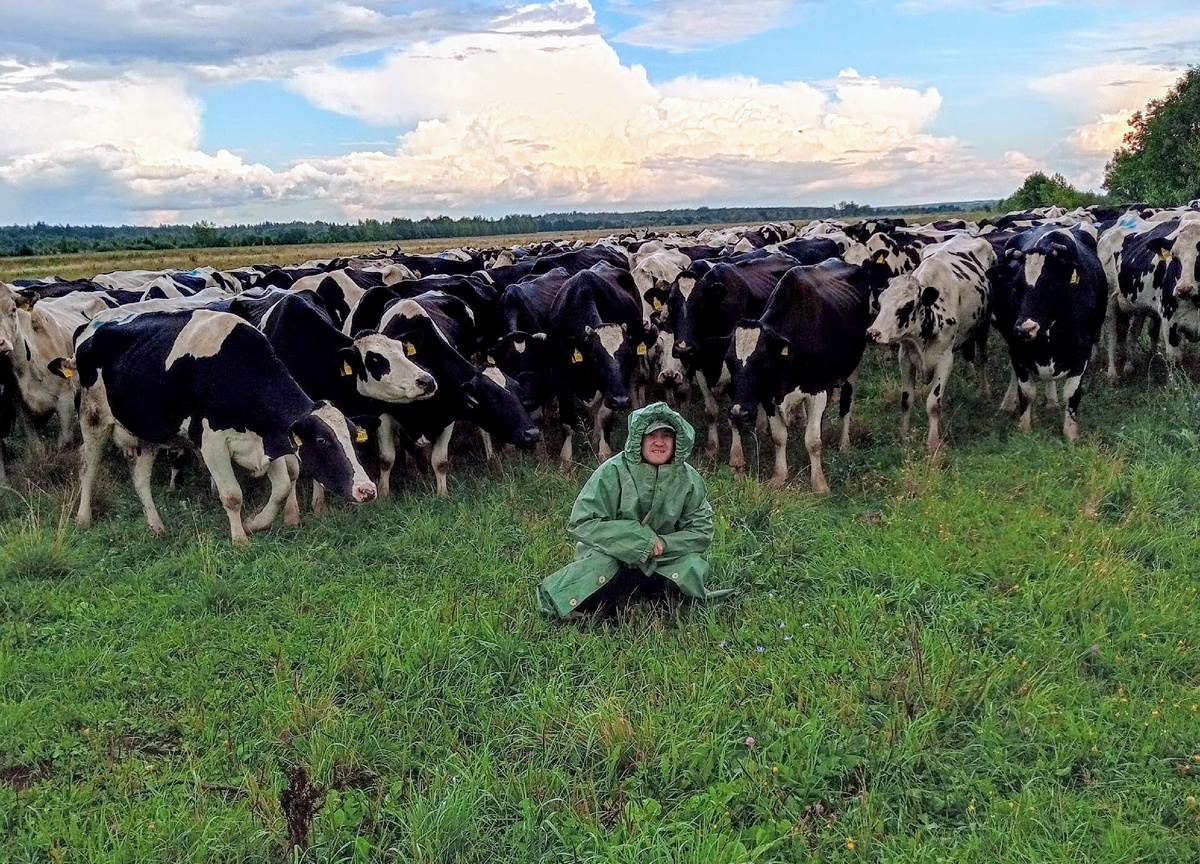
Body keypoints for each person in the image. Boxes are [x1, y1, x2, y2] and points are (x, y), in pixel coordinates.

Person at [537, 401, 733, 617]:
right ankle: (607, 606)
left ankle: (651, 603)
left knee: (691, 566)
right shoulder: (611, 471)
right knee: (600, 570)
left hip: (664, 558)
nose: (659, 443)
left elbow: (701, 532)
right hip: (612, 554)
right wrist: (640, 541)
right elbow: (582, 522)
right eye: (652, 436)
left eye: (666, 436)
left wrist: (664, 544)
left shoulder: (689, 478)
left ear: (677, 442)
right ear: (639, 439)